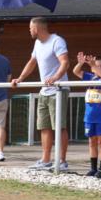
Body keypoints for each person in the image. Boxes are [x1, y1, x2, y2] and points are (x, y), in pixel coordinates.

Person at [11, 17, 70, 170]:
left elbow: (65, 62)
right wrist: (20, 78)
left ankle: (62, 161)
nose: (29, 31)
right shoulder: (37, 43)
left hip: (58, 89)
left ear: (37, 28)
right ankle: (45, 160)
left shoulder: (57, 41)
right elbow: (32, 62)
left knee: (60, 126)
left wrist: (56, 78)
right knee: (44, 126)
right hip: (44, 91)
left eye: (30, 28)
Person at [72, 52, 101, 178]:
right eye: (95, 66)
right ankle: (93, 168)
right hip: (89, 116)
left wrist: (94, 65)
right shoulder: (89, 77)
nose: (97, 68)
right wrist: (80, 63)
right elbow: (76, 71)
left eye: (100, 66)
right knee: (91, 142)